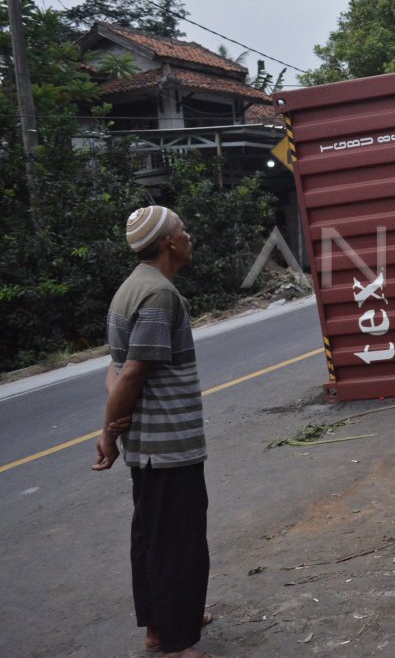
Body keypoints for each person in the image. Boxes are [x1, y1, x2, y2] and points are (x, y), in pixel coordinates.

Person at [92, 206, 215, 658]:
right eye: (183, 229)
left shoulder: (129, 289)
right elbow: (131, 374)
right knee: (179, 543)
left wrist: (118, 428)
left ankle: (159, 629)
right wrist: (108, 433)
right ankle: (180, 643)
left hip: (146, 446)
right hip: (168, 445)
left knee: (150, 537)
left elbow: (115, 366)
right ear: (168, 242)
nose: (188, 235)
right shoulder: (159, 295)